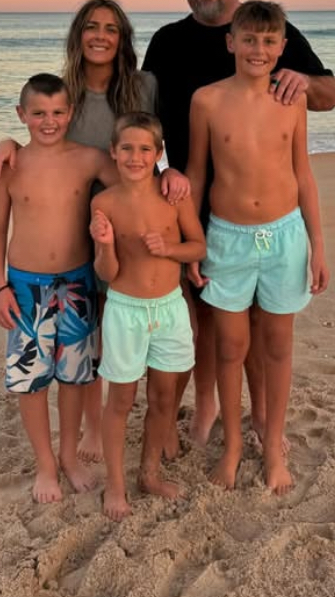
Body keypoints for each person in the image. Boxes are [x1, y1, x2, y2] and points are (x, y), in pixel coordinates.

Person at [142, 0, 335, 450]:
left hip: (267, 215)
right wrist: (152, 174)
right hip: (192, 200)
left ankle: (262, 416)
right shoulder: (167, 42)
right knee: (209, 318)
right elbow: (141, 118)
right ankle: (207, 405)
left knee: (261, 320)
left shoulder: (268, 31)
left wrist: (304, 80)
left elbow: (328, 93)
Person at [0, 0, 189, 464]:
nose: (100, 35)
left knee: (119, 334)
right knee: (88, 337)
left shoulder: (143, 86)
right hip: (77, 234)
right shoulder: (66, 93)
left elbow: (156, 145)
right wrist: (7, 142)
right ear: (78, 35)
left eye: (111, 28)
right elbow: (39, 136)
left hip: (127, 227)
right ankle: (93, 430)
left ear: (123, 38)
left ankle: (143, 423)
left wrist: (170, 174)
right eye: (91, 26)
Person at [186, 0, 329, 495]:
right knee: (230, 347)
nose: (258, 49)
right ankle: (231, 446)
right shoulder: (206, 101)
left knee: (277, 346)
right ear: (231, 42)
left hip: (284, 237)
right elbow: (197, 175)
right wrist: (194, 241)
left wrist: (318, 246)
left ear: (283, 47)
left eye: (269, 41)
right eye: (249, 39)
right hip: (227, 239)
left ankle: (272, 447)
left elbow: (303, 175)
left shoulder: (292, 101)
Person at [0, 72, 118, 503]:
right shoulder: (11, 166)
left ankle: (68, 457)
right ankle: (45, 465)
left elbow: (135, 180)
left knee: (75, 378)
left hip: (77, 284)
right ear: (21, 114)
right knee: (32, 382)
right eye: (38, 113)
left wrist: (169, 177)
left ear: (71, 113)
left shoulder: (89, 159)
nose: (49, 121)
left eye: (58, 112)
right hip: (25, 289)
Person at [89, 112, 206, 521]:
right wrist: (106, 245)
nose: (135, 157)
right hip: (125, 310)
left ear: (158, 154)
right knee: (120, 400)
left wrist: (169, 249)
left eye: (144, 149)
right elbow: (107, 273)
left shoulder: (173, 196)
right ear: (113, 152)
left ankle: (149, 474)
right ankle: (115, 484)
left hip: (170, 308)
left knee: (163, 397)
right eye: (126, 148)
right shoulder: (104, 203)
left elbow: (198, 247)